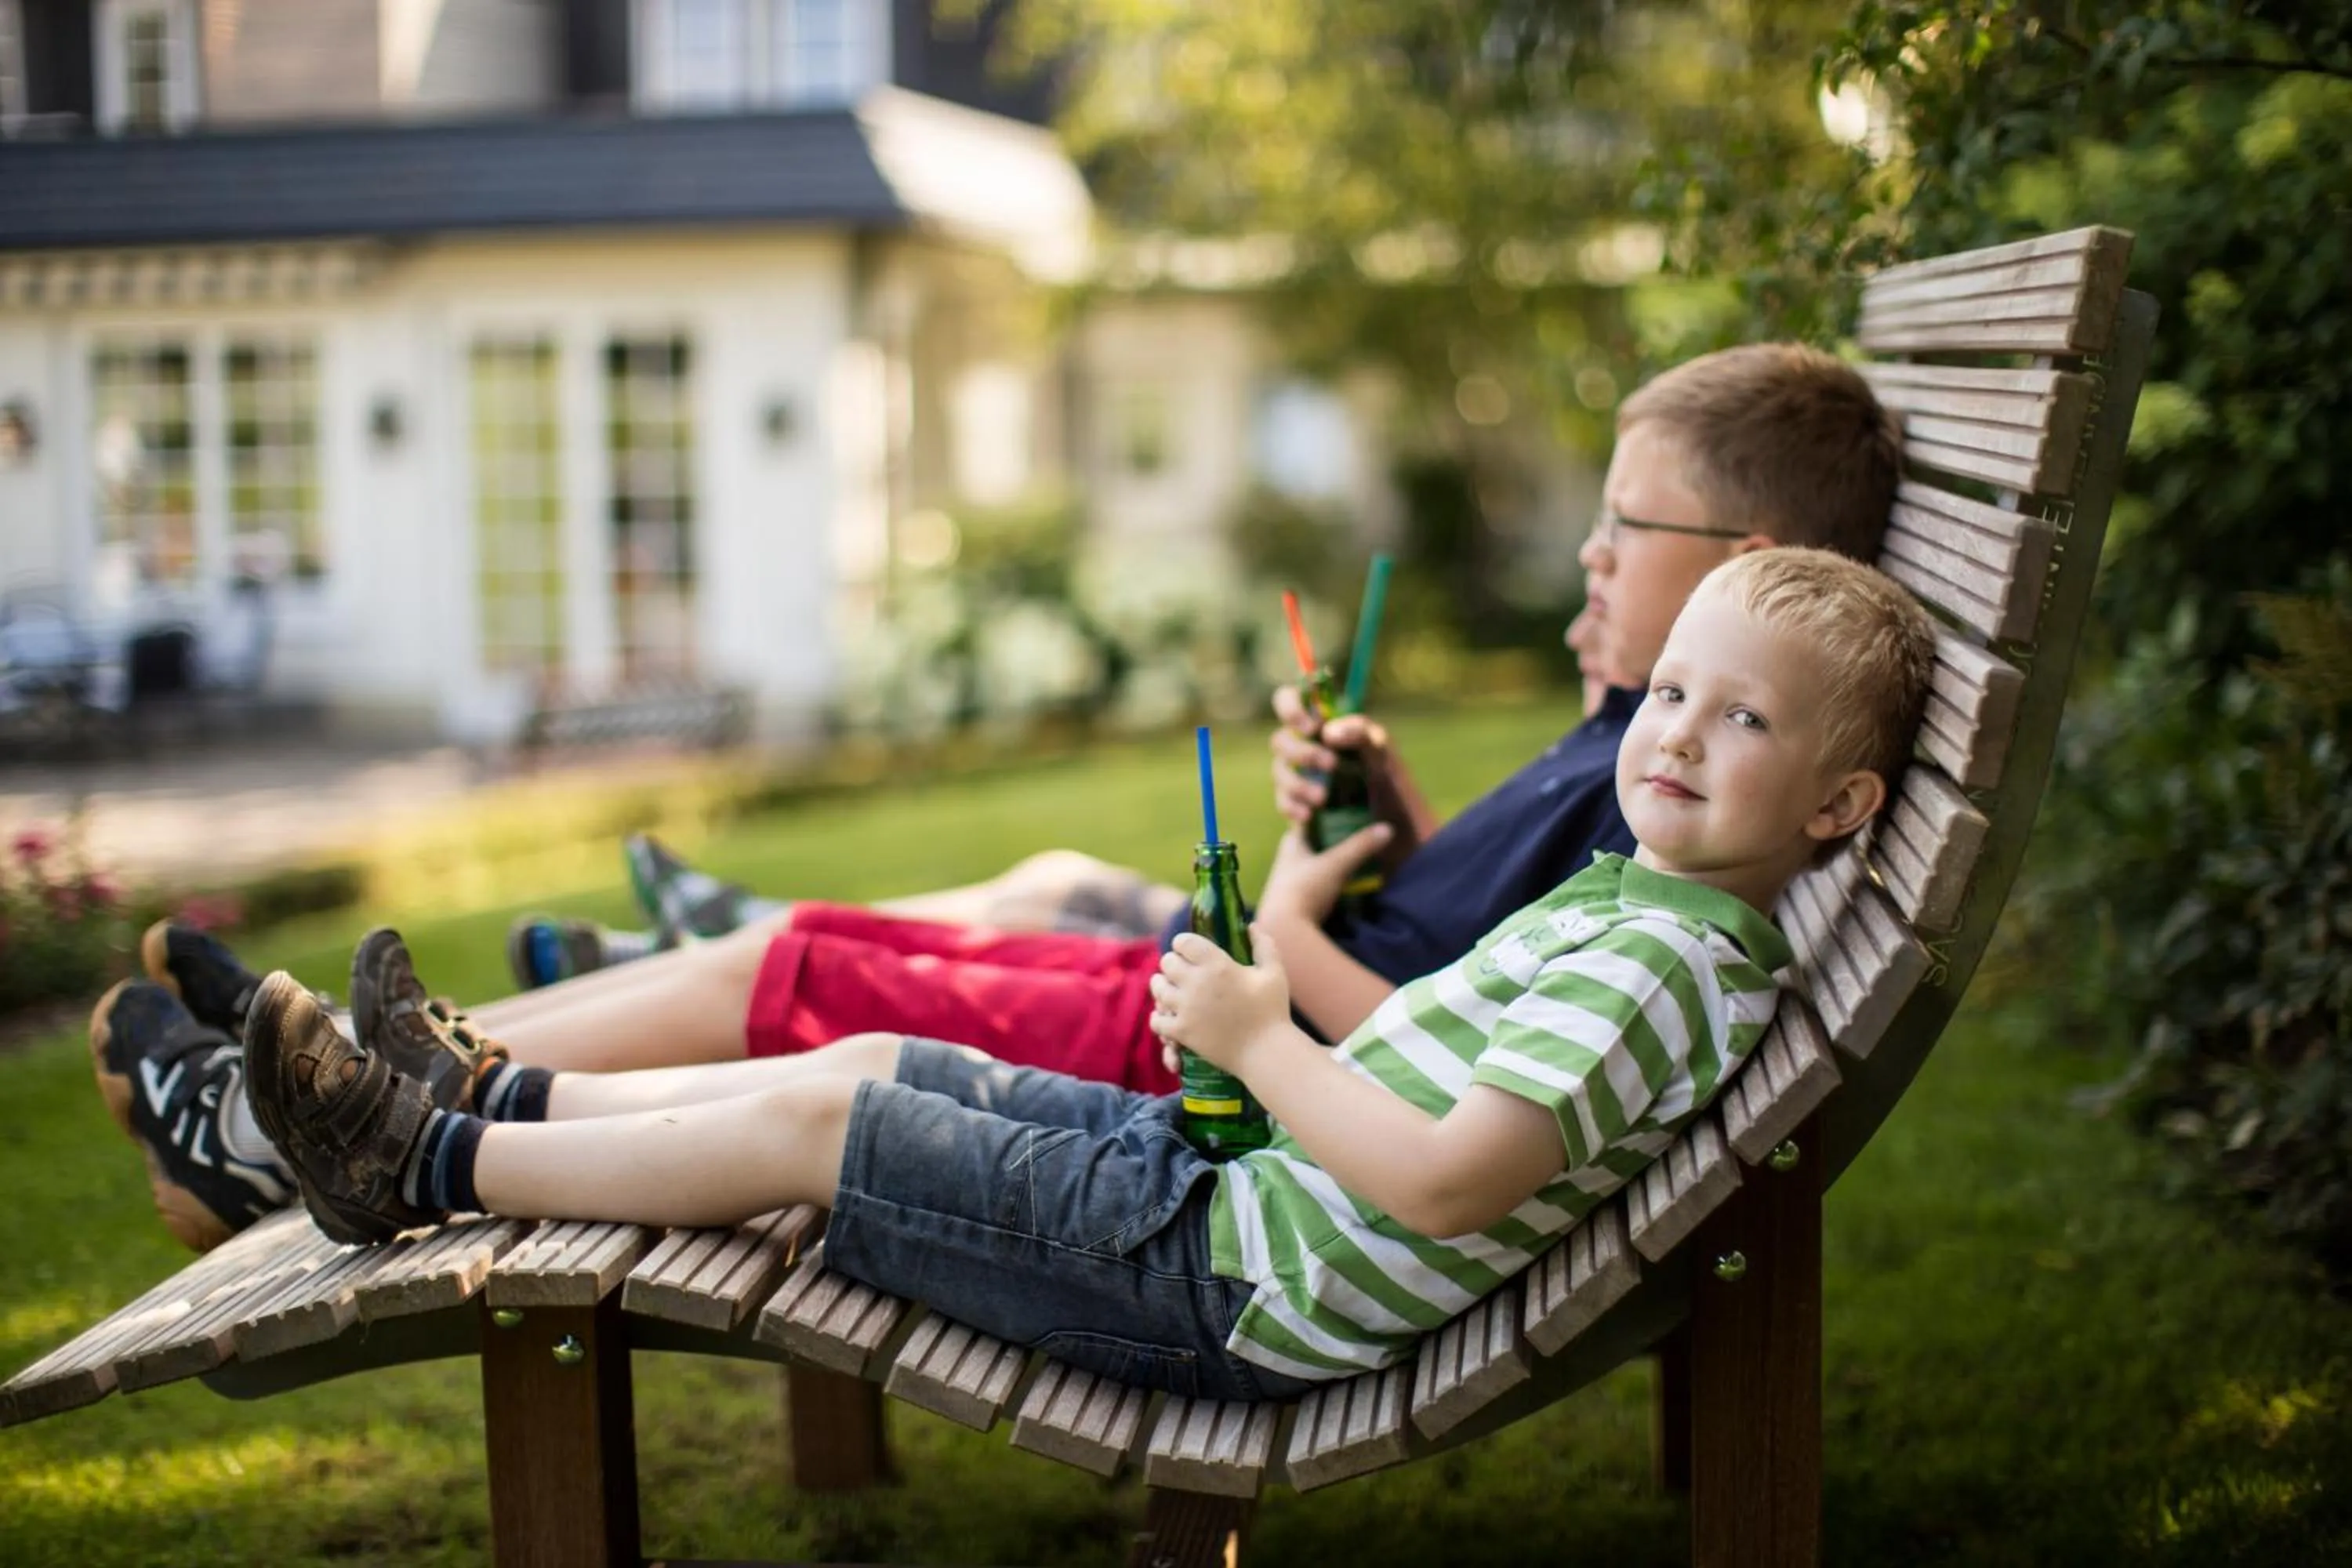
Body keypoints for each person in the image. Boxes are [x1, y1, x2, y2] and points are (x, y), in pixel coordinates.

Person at [92, 341, 1904, 1251]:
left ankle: (281, 1130)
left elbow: (1445, 1034)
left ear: (1743, 554)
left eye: (1625, 529)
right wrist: (1383, 818)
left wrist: (1279, 925)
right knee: (811, 969)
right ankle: (362, 1087)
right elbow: (1476, 949)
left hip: (1211, 1056)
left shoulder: (1658, 790)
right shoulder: (1658, 739)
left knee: (794, 976)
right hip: (1237, 1011)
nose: (1588, 553)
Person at [235, 549, 1936, 1399]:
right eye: (1674, 694)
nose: (1681, 735)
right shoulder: (1646, 917)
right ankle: (493, 1095)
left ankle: (420, 1159)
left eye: (1747, 717)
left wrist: (1262, 1035)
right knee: (882, 1061)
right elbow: (1418, 1041)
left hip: (1227, 1280)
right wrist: (1286, 961)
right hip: (1220, 1205)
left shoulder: (1658, 964)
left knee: (834, 1115)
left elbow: (1445, 1174)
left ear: (1844, 805)